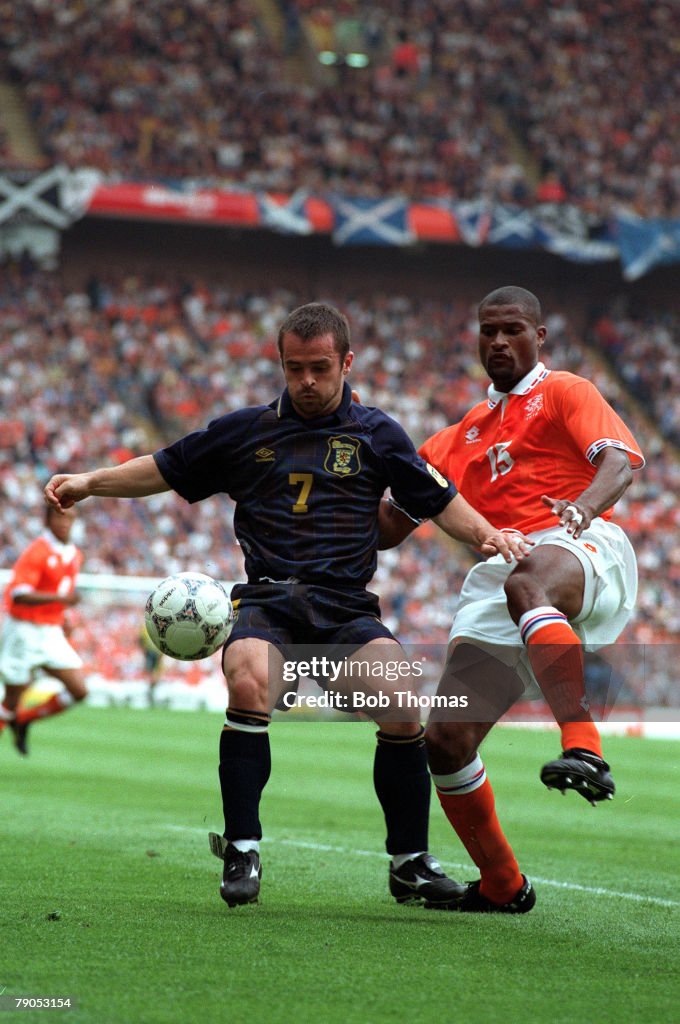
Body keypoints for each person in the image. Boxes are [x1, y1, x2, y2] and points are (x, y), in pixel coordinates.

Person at [44, 301, 529, 909]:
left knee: (404, 704)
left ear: (346, 362)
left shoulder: (378, 434)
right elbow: (165, 467)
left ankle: (409, 863)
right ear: (280, 363)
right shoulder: (244, 430)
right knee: (248, 680)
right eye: (294, 368)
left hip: (345, 608)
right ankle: (243, 848)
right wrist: (91, 482)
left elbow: (438, 499)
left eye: (320, 368)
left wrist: (488, 534)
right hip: (267, 601)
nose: (306, 381)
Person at [379, 285, 644, 914]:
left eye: (513, 330)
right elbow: (388, 528)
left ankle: (585, 748)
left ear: (539, 337)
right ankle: (502, 884)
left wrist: (581, 507)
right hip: (503, 577)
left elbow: (620, 464)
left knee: (527, 579)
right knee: (443, 740)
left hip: (580, 545)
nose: (499, 341)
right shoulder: (453, 440)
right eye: (488, 331)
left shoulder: (566, 392)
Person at [0, 505, 88, 755]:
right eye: (59, 516)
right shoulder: (37, 551)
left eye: (69, 517)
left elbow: (63, 593)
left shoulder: (74, 554)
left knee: (79, 690)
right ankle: (15, 716)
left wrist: (65, 616)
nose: (64, 522)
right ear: (47, 519)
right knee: (10, 699)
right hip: (23, 631)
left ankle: (24, 719)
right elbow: (18, 595)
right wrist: (59, 600)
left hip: (50, 632)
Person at [139, 622, 164, 707]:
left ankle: (152, 694)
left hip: (157, 654)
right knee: (150, 675)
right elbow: (141, 641)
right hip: (150, 653)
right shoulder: (145, 628)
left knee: (155, 675)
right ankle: (149, 694)